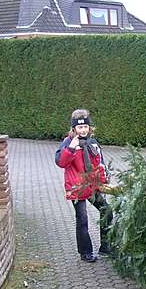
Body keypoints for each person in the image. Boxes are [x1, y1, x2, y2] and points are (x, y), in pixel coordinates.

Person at [55, 109, 113, 263]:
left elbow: (99, 163)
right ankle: (85, 252)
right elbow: (61, 162)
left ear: (89, 127)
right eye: (80, 128)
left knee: (107, 210)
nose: (83, 130)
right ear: (74, 129)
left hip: (91, 186)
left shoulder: (92, 142)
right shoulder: (68, 142)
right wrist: (72, 148)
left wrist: (103, 179)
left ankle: (105, 246)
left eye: (85, 127)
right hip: (77, 188)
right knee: (82, 218)